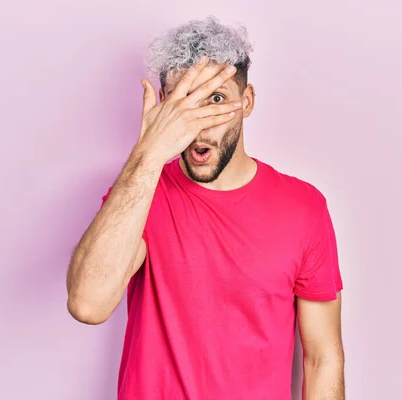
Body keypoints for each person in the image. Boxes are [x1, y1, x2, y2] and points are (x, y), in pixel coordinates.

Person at [66, 16, 345, 400]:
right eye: (184, 102)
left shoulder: (304, 208)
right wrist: (148, 153)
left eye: (216, 99)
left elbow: (322, 357)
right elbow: (87, 304)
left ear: (246, 102)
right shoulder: (138, 194)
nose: (199, 124)